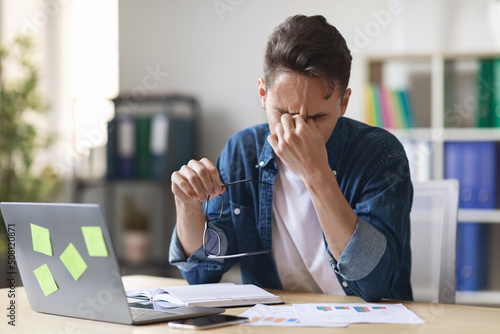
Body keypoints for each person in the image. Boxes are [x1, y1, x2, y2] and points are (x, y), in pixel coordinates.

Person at [169, 14, 413, 302]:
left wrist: (316, 173)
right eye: (283, 114)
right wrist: (188, 206)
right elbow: (200, 275)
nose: (296, 130)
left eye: (317, 117)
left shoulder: (381, 155)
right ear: (262, 93)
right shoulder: (243, 151)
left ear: (343, 103)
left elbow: (375, 285)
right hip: (278, 321)